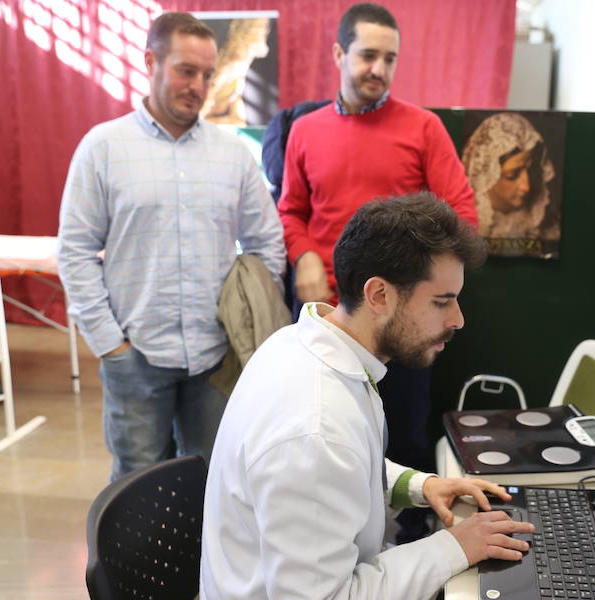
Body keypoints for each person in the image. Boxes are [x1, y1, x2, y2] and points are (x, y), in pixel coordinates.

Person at [201, 193, 533, 600]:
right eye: (441, 301)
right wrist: (455, 546)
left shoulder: (301, 344)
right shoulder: (315, 426)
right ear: (379, 295)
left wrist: (419, 486)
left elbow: (343, 471)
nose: (458, 319)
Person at [277, 1, 478, 541]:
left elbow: (462, 217)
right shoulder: (305, 129)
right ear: (339, 54)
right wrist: (305, 254)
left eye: (390, 59)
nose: (379, 70)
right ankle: (331, 542)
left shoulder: (424, 129)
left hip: (405, 319)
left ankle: (414, 545)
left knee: (407, 436)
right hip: (332, 316)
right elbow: (291, 210)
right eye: (368, 56)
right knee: (323, 431)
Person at [56, 12, 285, 482]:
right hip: (135, 357)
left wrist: (241, 325)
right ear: (150, 62)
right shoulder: (103, 148)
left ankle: (200, 562)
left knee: (213, 486)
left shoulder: (232, 155)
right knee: (135, 490)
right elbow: (76, 251)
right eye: (186, 70)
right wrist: (110, 344)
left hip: (214, 360)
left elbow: (267, 245)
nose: (198, 85)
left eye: (207, 74)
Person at [461, 112, 558, 240]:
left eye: (530, 170)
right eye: (512, 175)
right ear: (486, 175)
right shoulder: (465, 224)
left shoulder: (544, 226)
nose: (526, 186)